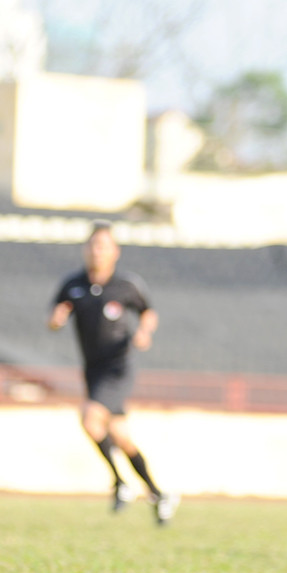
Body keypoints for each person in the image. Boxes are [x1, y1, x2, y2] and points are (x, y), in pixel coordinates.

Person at [49, 221, 179, 524]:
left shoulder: (126, 285)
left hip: (119, 366)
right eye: (93, 245)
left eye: (104, 246)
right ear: (86, 249)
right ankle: (159, 495)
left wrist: (145, 331)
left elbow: (149, 311)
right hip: (92, 370)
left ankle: (120, 484)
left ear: (114, 252)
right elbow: (55, 316)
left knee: (90, 418)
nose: (98, 251)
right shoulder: (73, 284)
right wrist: (56, 320)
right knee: (119, 435)